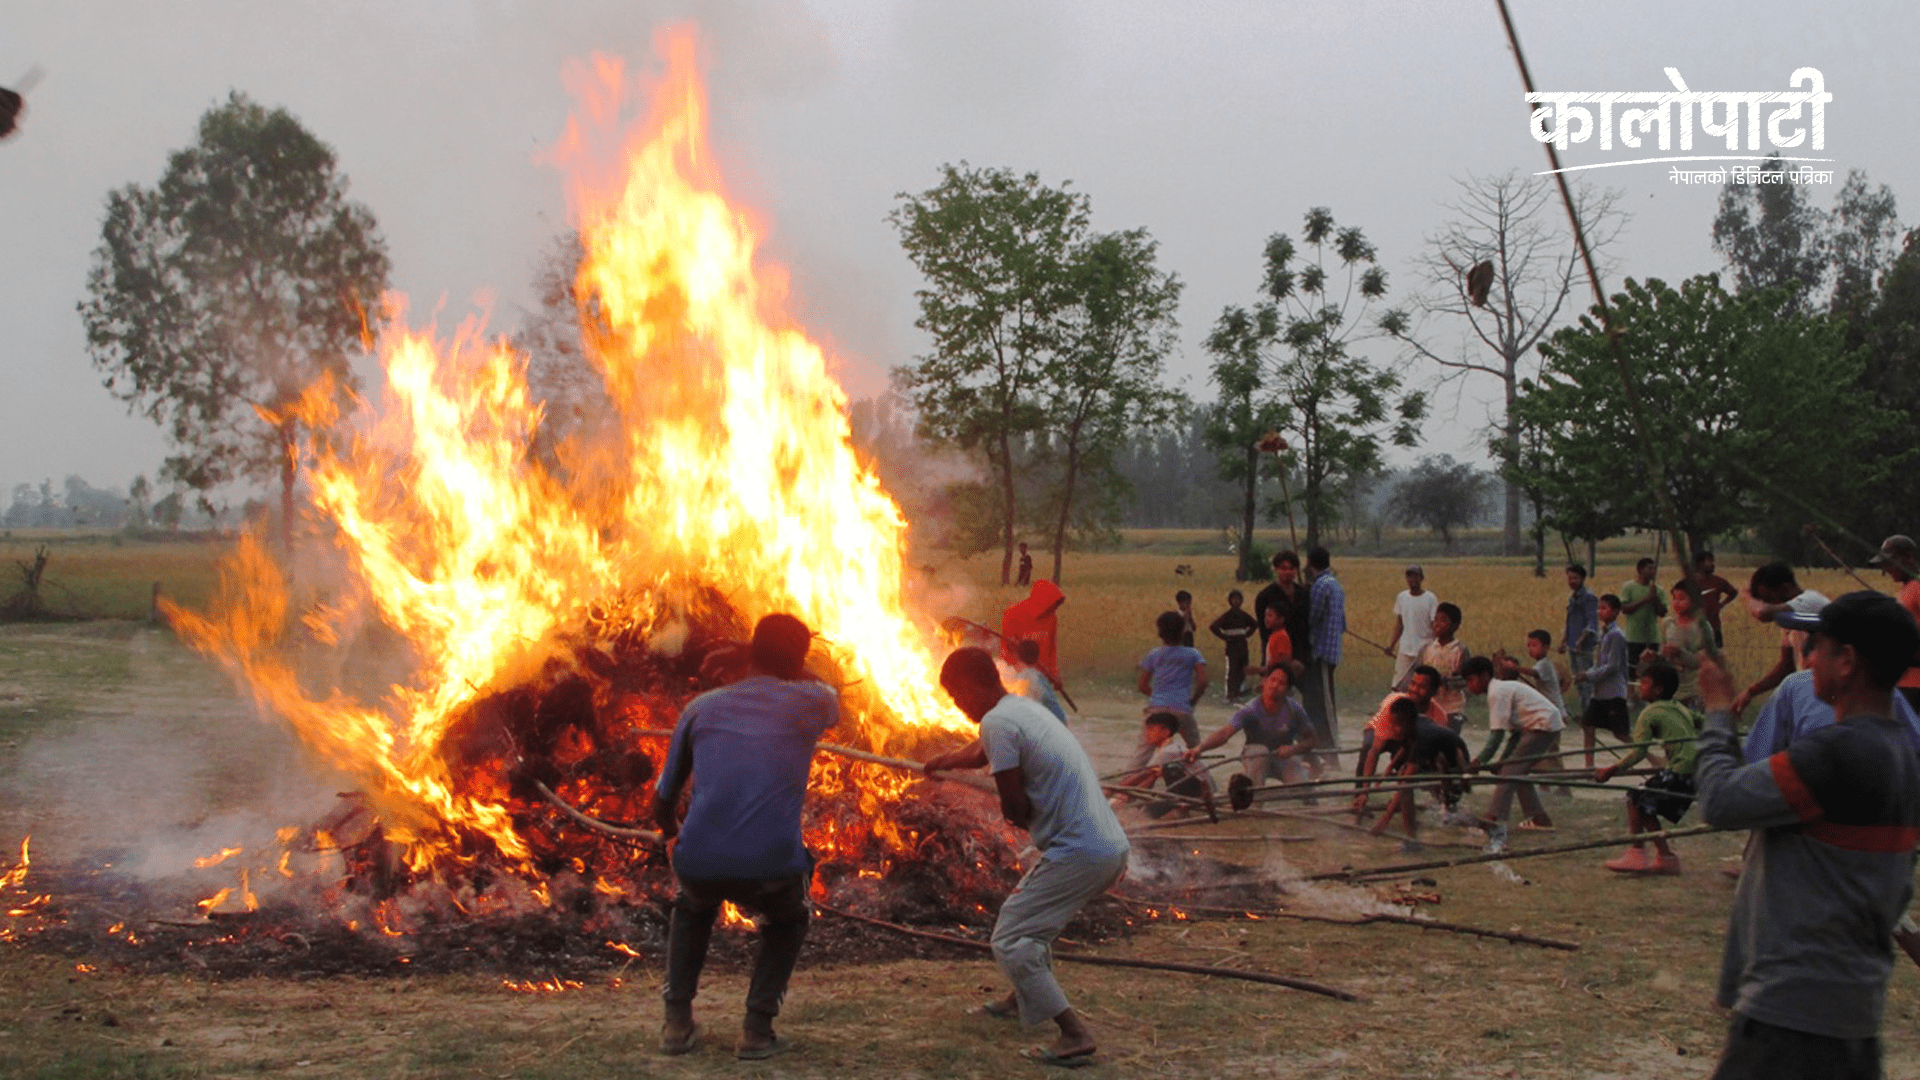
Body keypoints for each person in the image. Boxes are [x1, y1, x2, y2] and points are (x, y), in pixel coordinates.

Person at [1693, 593, 1920, 1079]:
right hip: (1852, 1015)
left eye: (1819, 646)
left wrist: (1715, 710)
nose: (1809, 658)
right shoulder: (1902, 749)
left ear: (1848, 661)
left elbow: (1720, 801)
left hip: (1792, 1019)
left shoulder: (1835, 755)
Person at [925, 647, 1131, 1068]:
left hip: (1079, 850)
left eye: (955, 696)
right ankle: (1020, 997)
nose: (956, 706)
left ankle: (1073, 1034)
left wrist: (1003, 804)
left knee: (1010, 938)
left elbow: (1014, 808)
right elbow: (980, 753)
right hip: (1106, 842)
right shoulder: (1019, 710)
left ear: (971, 684)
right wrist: (943, 763)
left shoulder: (997, 722)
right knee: (1031, 922)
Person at [653, 613, 839, 1060]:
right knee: (789, 920)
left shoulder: (701, 707)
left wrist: (671, 834)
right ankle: (756, 1030)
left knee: (692, 907)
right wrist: (773, 658)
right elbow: (818, 687)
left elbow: (663, 800)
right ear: (799, 661)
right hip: (771, 864)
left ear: (751, 652)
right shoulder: (813, 702)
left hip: (699, 857)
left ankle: (677, 1024)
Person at [1595, 660, 1700, 875]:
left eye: (1643, 683)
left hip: (1681, 770)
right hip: (1695, 771)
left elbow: (1639, 752)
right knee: (1642, 801)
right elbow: (1703, 720)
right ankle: (1663, 857)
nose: (1638, 687)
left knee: (1637, 798)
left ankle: (1639, 853)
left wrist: (1612, 769)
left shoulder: (1649, 713)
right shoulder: (1680, 707)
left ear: (1657, 689)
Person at [1186, 667, 1317, 811]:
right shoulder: (1251, 709)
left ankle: (1311, 807)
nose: (1275, 685)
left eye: (1281, 683)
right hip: (1255, 756)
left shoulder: (1295, 710)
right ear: (1264, 682)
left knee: (1307, 794)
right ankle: (1253, 805)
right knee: (1259, 752)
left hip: (1284, 757)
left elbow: (1312, 739)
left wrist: (1294, 749)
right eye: (1272, 680)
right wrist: (1199, 748)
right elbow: (1225, 733)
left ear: (1287, 690)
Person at [1463, 655, 1561, 835]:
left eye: (1471, 679)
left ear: (1484, 676)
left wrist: (1479, 761)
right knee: (1516, 772)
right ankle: (1540, 819)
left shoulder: (1496, 692)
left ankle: (1491, 818)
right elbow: (1514, 734)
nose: (1469, 685)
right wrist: (1502, 760)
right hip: (1542, 725)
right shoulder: (1500, 690)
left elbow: (1496, 737)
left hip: (1542, 725)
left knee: (1510, 771)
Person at [1358, 696, 1472, 850]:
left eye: (1395, 725)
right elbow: (1404, 748)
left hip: (1454, 762)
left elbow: (1405, 782)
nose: (1391, 728)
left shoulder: (1421, 737)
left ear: (1407, 723)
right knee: (1406, 779)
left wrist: (1385, 820)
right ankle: (1423, 825)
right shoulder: (1413, 725)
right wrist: (1386, 773)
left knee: (1406, 789)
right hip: (1436, 755)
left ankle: (1412, 840)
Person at [1730, 561, 1829, 716]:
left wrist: (1747, 596)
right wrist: (1750, 692)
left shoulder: (1810, 601)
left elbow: (1763, 613)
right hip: (1811, 691)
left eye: (1769, 598)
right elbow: (1786, 666)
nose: (1769, 604)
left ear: (1785, 588)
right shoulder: (1789, 614)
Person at [1352, 665, 1449, 787]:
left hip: (1407, 739)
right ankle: (1359, 791)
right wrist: (1365, 791)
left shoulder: (1439, 717)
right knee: (1368, 746)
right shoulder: (1394, 705)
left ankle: (1403, 799)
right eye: (1413, 684)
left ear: (1434, 691)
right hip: (1381, 730)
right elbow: (1375, 750)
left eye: (1422, 686)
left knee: (1410, 764)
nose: (1414, 689)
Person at [1133, 610, 1208, 757]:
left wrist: (1158, 696)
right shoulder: (1193, 654)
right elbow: (1203, 682)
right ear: (1182, 632)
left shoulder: (1154, 654)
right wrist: (1193, 700)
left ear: (1160, 634)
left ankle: (1129, 777)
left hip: (1157, 708)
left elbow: (1142, 686)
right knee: (1196, 750)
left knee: (1141, 755)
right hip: (1182, 708)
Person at [1114, 712, 1213, 819]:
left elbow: (1142, 774)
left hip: (1199, 793)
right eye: (1146, 729)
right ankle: (1178, 808)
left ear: (1165, 732)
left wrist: (1113, 789)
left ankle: (1181, 807)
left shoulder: (1169, 751)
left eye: (1151, 729)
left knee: (1145, 814)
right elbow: (1150, 777)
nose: (1147, 733)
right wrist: (1126, 796)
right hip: (1192, 790)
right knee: (1145, 809)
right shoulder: (1171, 748)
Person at [1575, 594, 1632, 769]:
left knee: (1620, 734)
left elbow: (1612, 667)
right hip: (1599, 693)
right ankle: (1589, 766)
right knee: (1588, 725)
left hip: (1613, 692)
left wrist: (1589, 676)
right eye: (1599, 608)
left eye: (1605, 608)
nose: (1600, 611)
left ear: (1615, 612)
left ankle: (1650, 756)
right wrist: (1587, 674)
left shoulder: (1616, 635)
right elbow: (1599, 664)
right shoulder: (1604, 634)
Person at [1302, 546, 1344, 764]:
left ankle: (1332, 752)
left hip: (1322, 652)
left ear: (1310, 563)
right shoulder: (1335, 584)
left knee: (1326, 705)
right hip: (1333, 650)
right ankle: (1325, 748)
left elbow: (1313, 616)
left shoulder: (1321, 585)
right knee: (1321, 701)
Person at [1869, 533, 1920, 714]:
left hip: (1915, 685)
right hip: (1902, 682)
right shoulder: (1905, 590)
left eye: (1890, 562)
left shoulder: (1917, 588)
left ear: (1909, 557)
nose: (1886, 569)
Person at [1001, 579, 1066, 689]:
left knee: (1048, 705)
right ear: (1041, 600)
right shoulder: (1013, 613)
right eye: (1052, 603)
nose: (1054, 608)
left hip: (1042, 676)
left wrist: (1055, 673)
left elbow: (1051, 648)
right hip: (1018, 675)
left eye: (1056, 604)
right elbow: (1008, 648)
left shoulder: (1051, 619)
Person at [1383, 564, 1439, 691]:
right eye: (1409, 577)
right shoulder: (1402, 597)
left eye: (1416, 576)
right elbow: (1399, 624)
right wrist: (1391, 646)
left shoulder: (1430, 598)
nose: (1413, 580)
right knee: (1398, 685)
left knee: (1425, 685)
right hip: (1405, 649)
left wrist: (1438, 648)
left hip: (1426, 649)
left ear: (1422, 578)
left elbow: (1435, 625)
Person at [1658, 578, 1712, 710]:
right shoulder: (1668, 624)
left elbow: (1701, 661)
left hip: (1693, 691)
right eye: (1674, 598)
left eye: (1681, 599)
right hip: (1671, 689)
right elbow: (1662, 654)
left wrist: (1680, 653)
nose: (1676, 603)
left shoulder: (1702, 627)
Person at [1416, 602, 1470, 732]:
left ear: (1455, 626)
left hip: (1453, 707)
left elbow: (1465, 680)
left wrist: (1445, 681)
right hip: (1430, 706)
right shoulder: (1426, 649)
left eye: (1443, 620)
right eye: (1436, 619)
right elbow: (1417, 674)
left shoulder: (1460, 651)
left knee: (1449, 742)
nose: (1438, 624)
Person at [1254, 550, 1310, 667]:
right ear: (1276, 569)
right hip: (1276, 653)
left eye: (1292, 568)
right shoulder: (1265, 596)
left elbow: (1306, 626)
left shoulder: (1303, 594)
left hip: (1301, 655)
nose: (1288, 572)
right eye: (1284, 568)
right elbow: (1264, 630)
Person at [1619, 556, 1667, 683]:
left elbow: (1662, 613)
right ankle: (1632, 698)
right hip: (1633, 637)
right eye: (1649, 568)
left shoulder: (1658, 590)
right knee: (1632, 670)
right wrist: (1646, 599)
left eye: (1654, 569)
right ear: (1640, 570)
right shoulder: (1628, 587)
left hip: (1652, 637)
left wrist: (1655, 598)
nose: (1653, 571)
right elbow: (1625, 608)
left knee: (1650, 671)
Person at [1207, 589, 1260, 703]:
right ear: (1230, 601)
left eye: (1238, 599)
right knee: (1232, 670)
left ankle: (1239, 692)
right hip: (1232, 647)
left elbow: (1255, 624)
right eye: (1233, 599)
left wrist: (1247, 634)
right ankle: (1230, 694)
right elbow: (1213, 626)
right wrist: (1225, 637)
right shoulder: (1227, 615)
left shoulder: (1243, 615)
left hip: (1242, 645)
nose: (1236, 601)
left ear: (1241, 601)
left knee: (1242, 670)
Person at [1562, 564, 1600, 713]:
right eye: (1570, 578)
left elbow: (1592, 622)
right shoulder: (1572, 598)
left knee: (1586, 677)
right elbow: (1569, 621)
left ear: (1582, 579)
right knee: (1577, 678)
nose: (1572, 581)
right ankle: (1585, 708)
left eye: (1575, 578)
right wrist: (1563, 641)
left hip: (1584, 645)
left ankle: (1590, 709)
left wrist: (1580, 640)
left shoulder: (1589, 597)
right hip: (1572, 644)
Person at [1010, 639, 1068, 725]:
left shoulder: (1018, 680)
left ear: (1017, 657)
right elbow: (1053, 706)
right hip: (1051, 724)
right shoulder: (1039, 678)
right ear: (1037, 657)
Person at [1690, 549, 1741, 648]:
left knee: (1717, 658)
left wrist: (1722, 604)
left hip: (1715, 627)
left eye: (1713, 561)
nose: (1713, 564)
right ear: (1699, 564)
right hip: (1696, 629)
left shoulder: (1718, 581)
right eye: (1709, 561)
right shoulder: (1691, 583)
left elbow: (1733, 592)